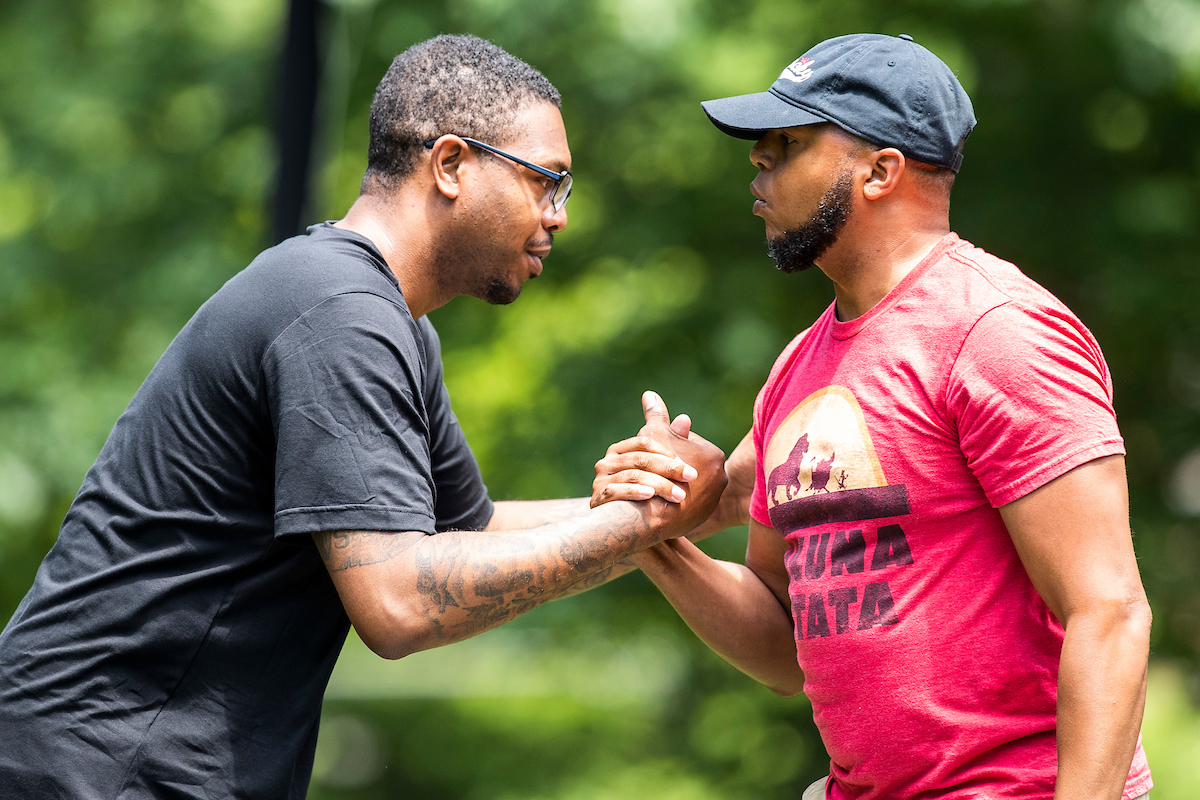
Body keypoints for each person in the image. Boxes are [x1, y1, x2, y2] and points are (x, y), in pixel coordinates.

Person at [0, 35, 726, 798]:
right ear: (450, 165)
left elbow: (463, 536)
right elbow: (401, 599)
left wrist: (689, 505)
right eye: (548, 182)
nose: (559, 217)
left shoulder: (390, 321)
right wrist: (636, 528)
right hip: (94, 770)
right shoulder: (339, 311)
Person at [592, 33, 1153, 800]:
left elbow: (1110, 612)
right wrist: (658, 540)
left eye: (787, 143)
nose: (758, 162)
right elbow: (787, 649)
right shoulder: (797, 366)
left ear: (882, 170)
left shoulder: (996, 332)